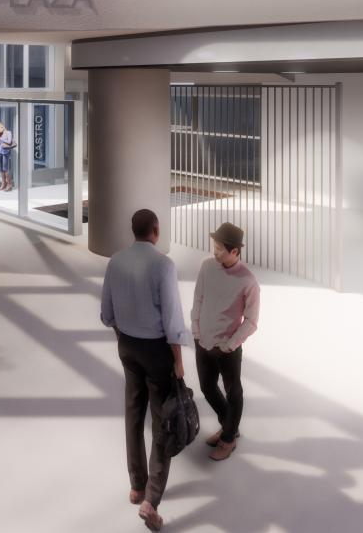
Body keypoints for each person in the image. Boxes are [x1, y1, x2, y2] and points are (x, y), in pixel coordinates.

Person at [100, 209, 189, 532]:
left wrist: (124, 338)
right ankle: (151, 498)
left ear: (132, 230)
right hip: (156, 351)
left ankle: (136, 485)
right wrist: (177, 361)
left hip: (127, 346)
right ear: (156, 230)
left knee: (133, 413)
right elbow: (172, 321)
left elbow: (107, 313)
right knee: (162, 420)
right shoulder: (163, 265)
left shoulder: (115, 261)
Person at [190, 222, 260, 462]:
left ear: (235, 252)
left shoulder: (248, 281)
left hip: (227, 348)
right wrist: (196, 331)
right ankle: (229, 425)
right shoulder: (207, 267)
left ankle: (228, 439)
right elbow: (198, 298)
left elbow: (251, 321)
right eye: (214, 246)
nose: (215, 252)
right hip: (203, 341)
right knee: (206, 387)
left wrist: (230, 344)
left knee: (233, 392)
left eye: (220, 248)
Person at [0, 121, 14, 191]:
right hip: (0, 152)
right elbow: (0, 145)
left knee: (6, 169)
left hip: (6, 152)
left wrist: (0, 139)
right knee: (2, 169)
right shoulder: (0, 134)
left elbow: (9, 142)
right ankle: (3, 184)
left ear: (2, 127)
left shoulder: (8, 132)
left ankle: (9, 184)